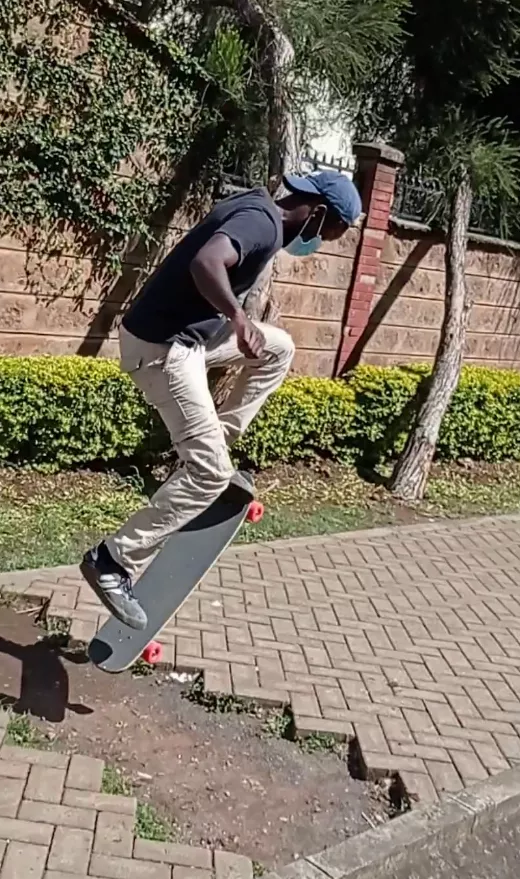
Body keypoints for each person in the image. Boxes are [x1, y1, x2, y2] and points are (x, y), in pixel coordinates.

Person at [81, 170, 362, 629]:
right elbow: (207, 262)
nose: (326, 243)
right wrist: (237, 316)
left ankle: (213, 443)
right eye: (333, 233)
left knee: (279, 347)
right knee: (210, 474)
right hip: (164, 349)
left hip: (184, 339)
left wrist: (240, 325)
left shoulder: (258, 208)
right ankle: (113, 561)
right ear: (319, 213)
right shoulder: (263, 223)